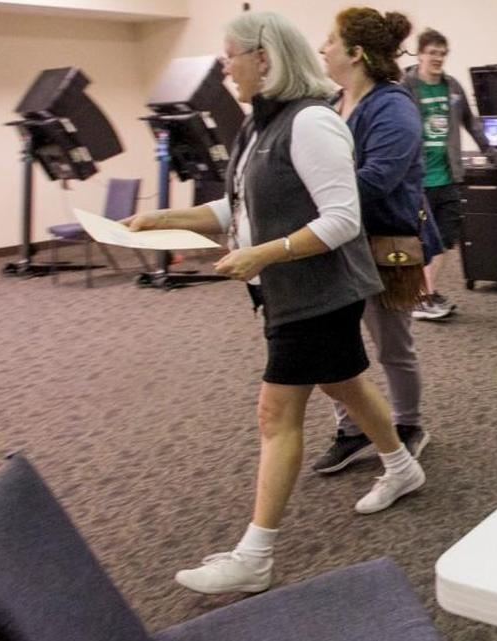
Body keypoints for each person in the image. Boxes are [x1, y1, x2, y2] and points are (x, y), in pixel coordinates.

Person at [125, 11, 425, 594]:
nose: (223, 65)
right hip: (291, 288)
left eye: (230, 53)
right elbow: (236, 208)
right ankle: (402, 465)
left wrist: (264, 254)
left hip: (321, 290)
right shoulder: (257, 126)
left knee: (276, 414)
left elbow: (342, 218)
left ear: (264, 57)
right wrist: (164, 217)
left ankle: (256, 555)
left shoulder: (310, 122)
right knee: (345, 383)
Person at [311, 7, 430, 474]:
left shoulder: (394, 107)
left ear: (356, 53)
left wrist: (312, 198)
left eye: (330, 40)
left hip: (383, 243)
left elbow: (377, 179)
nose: (322, 48)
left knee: (392, 346)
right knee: (333, 344)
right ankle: (352, 428)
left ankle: (407, 425)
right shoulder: (328, 103)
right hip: (332, 242)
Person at [403, 28, 497, 320]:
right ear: (420, 54)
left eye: (442, 53)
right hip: (417, 179)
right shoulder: (405, 88)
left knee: (445, 238)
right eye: (432, 52)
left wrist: (490, 152)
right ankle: (422, 295)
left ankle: (426, 293)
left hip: (448, 177)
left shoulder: (453, 87)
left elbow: (470, 122)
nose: (438, 58)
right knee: (419, 241)